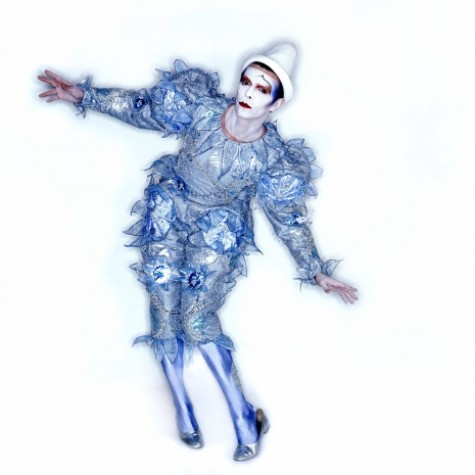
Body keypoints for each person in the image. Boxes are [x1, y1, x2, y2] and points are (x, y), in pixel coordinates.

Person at [38, 42, 358, 461]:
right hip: (169, 211)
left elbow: (289, 220)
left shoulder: (272, 158)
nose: (249, 92)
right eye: (247, 82)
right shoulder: (203, 110)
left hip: (217, 229)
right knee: (163, 312)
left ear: (276, 104)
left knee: (196, 320)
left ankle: (243, 416)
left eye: (262, 89)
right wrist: (84, 96)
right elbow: (142, 109)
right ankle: (184, 409)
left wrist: (315, 270)